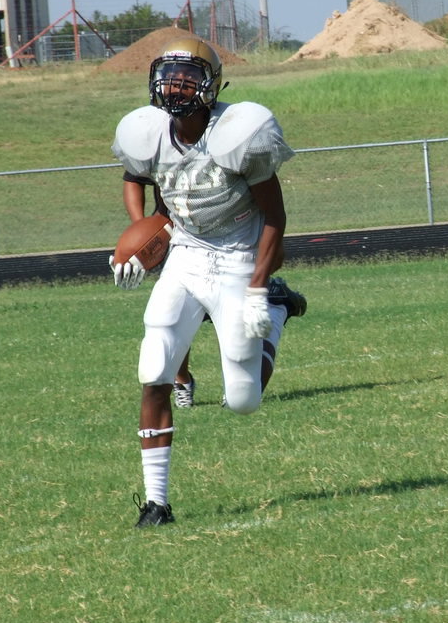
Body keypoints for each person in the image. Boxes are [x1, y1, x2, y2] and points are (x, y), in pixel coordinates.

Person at [109, 36, 306, 528]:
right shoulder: (146, 132)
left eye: (189, 76)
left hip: (239, 256)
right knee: (154, 368)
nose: (176, 86)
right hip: (186, 256)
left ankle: (279, 311)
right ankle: (157, 503)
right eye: (169, 75)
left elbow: (276, 218)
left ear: (212, 85)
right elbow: (134, 175)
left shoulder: (239, 132)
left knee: (242, 400)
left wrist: (261, 287)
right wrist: (146, 232)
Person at [121, 178, 199, 409]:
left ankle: (237, 386)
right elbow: (133, 178)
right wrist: (143, 233)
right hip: (178, 237)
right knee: (173, 317)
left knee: (232, 316)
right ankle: (182, 380)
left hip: (226, 237)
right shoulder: (162, 142)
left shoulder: (221, 143)